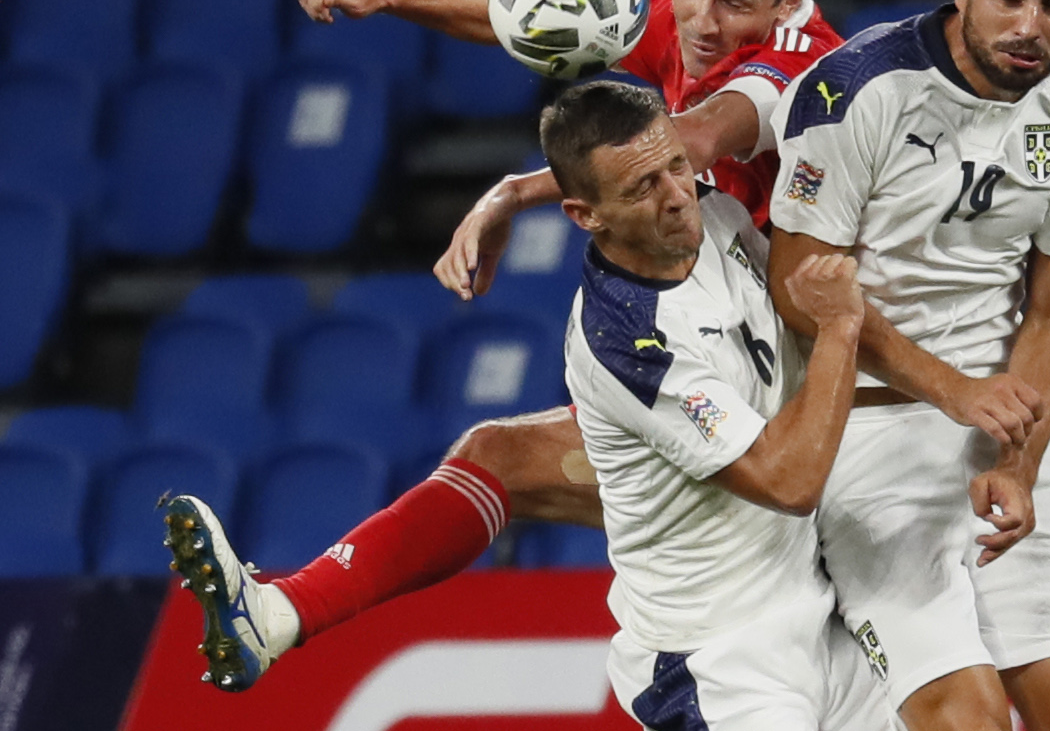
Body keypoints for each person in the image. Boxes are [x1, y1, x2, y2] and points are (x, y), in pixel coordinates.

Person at [166, 82, 894, 730]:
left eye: (677, 167)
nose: (675, 192)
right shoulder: (629, 333)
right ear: (584, 215)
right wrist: (840, 325)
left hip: (813, 596)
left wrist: (512, 191)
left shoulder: (716, 194)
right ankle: (286, 611)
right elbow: (789, 479)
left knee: (501, 454)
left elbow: (712, 134)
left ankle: (286, 612)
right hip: (723, 661)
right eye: (645, 186)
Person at [765, 0, 1050, 731]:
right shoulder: (855, 91)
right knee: (965, 721)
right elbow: (800, 289)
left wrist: (1020, 462)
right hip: (864, 435)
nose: (1030, 23)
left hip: (1000, 435)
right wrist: (954, 389)